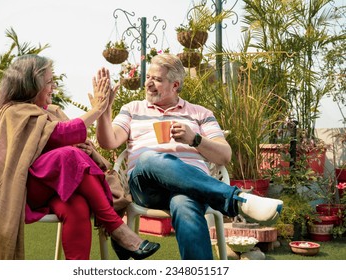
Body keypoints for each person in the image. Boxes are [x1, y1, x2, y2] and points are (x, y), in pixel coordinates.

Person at [96, 53, 283, 260]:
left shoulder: (200, 113)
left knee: (184, 203)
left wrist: (194, 139)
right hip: (147, 185)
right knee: (149, 158)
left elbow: (225, 156)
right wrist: (104, 110)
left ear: (175, 85)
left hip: (191, 186)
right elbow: (108, 142)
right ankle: (235, 200)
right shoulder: (132, 109)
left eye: (157, 79)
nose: (148, 83)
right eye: (148, 77)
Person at [0, 54, 160, 260]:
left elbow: (66, 138)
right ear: (30, 85)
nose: (53, 87)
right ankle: (117, 228)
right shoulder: (13, 112)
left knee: (77, 205)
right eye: (48, 82)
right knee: (69, 155)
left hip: (54, 188)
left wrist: (87, 148)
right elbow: (62, 134)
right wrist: (97, 109)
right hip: (24, 191)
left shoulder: (52, 111)